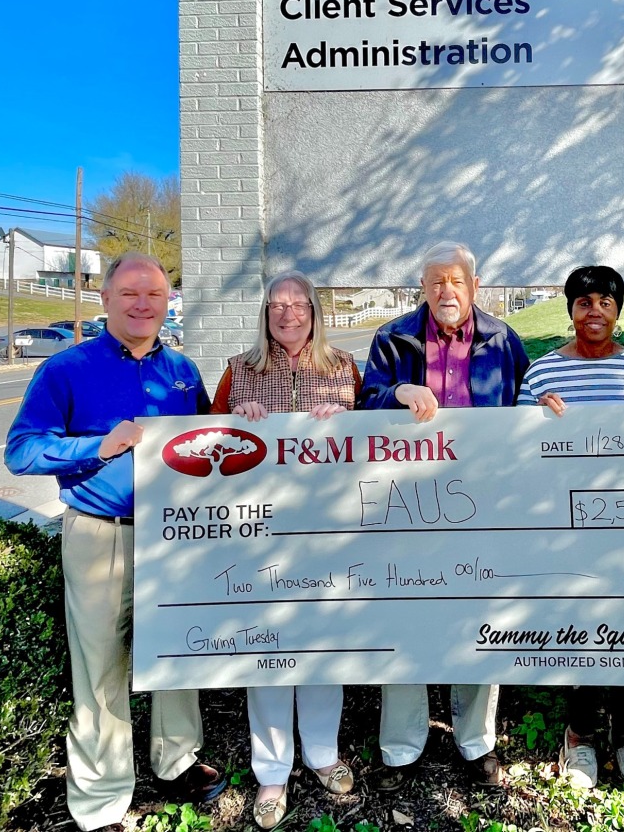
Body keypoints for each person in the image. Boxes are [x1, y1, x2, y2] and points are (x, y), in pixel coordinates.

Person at [5, 253, 224, 832]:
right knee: (101, 661)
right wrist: (95, 447)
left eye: (153, 294)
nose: (142, 304)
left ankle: (175, 760)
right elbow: (21, 450)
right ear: (105, 300)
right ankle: (102, 793)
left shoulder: (182, 371)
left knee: (177, 648)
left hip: (174, 534)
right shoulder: (66, 369)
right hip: (101, 532)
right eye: (129, 293)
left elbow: (208, 445)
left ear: (166, 302)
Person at [360, 241, 530, 790]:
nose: (445, 292)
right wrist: (397, 392)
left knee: (481, 612)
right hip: (406, 502)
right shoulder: (393, 338)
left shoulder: (504, 339)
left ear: (474, 285)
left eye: (455, 281)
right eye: (434, 282)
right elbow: (364, 405)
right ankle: (402, 745)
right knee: (404, 612)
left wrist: (550, 413)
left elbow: (525, 403)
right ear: (423, 287)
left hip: (484, 502)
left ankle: (475, 740)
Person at [210, 270, 359, 829]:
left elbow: (378, 436)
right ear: (264, 312)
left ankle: (322, 753)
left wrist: (350, 421)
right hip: (260, 533)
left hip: (329, 530)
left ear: (315, 311)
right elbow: (203, 449)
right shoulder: (238, 371)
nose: (288, 313)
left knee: (323, 643)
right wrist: (233, 424)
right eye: (277, 304)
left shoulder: (343, 368)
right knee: (267, 645)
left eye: (299, 304)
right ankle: (272, 769)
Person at [516, 265, 624, 789]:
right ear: (570, 311)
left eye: (605, 301)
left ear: (618, 311)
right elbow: (517, 453)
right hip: (566, 527)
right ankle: (580, 734)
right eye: (583, 302)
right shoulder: (541, 375)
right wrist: (534, 418)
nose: (594, 311)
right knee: (580, 628)